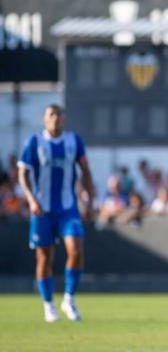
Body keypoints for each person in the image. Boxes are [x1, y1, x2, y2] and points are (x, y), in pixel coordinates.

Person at [17, 104, 95, 322]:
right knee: (44, 258)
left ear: (65, 118)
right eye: (51, 115)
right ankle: (48, 304)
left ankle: (69, 299)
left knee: (76, 249)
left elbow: (85, 171)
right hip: (42, 209)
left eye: (59, 115)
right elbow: (22, 173)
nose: (56, 119)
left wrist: (89, 202)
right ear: (44, 119)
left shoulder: (74, 141)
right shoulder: (35, 142)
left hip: (68, 208)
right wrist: (31, 200)